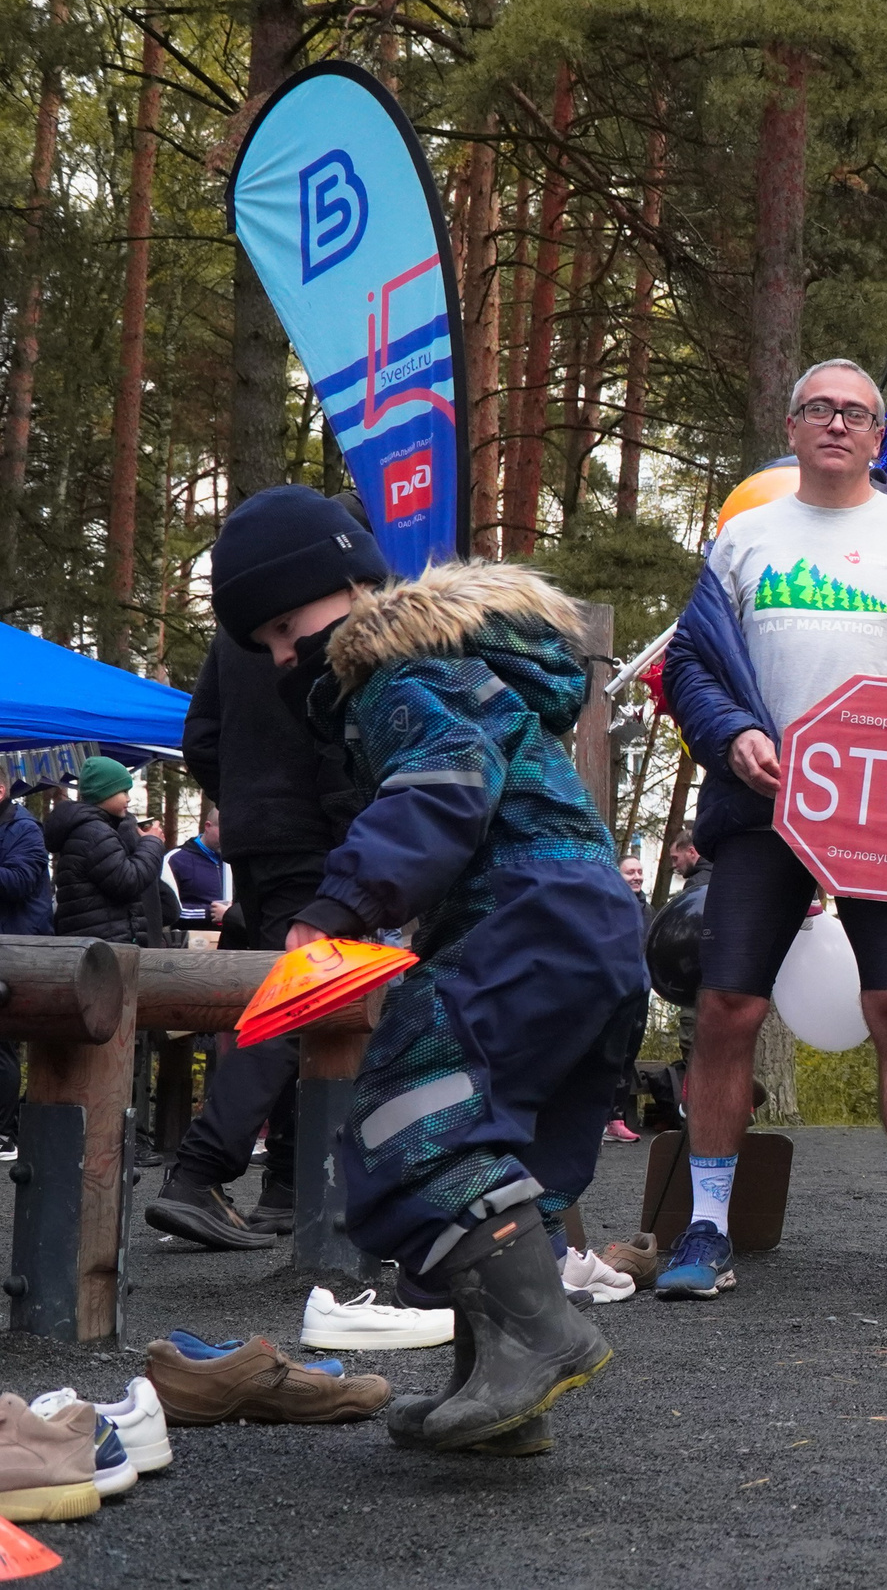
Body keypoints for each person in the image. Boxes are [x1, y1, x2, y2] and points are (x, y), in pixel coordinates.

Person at [210, 481, 644, 1454]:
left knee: (412, 1121)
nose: (285, 658)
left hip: (526, 929)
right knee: (494, 1153)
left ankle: (540, 1334)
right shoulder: (468, 673)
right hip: (583, 936)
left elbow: (438, 792)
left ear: (359, 587)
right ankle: (497, 1384)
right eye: (267, 647)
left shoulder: (407, 680)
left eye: (290, 624)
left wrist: (342, 908)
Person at [661, 358, 887, 1306]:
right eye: (819, 410)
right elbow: (690, 666)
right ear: (791, 427)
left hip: (883, 811)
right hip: (762, 805)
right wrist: (734, 734)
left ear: (881, 436)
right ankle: (705, 1227)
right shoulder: (742, 539)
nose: (838, 424)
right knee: (727, 1013)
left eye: (857, 413)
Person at [154, 561, 372, 1251]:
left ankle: (285, 1181)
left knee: (287, 991)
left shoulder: (240, 626)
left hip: (251, 842)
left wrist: (247, 802)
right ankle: (199, 1171)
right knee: (298, 995)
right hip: (320, 831)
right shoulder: (341, 619)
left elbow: (202, 739)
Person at [45, 758, 165, 949]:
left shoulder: (89, 829)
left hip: (97, 940)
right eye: (123, 791)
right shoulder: (95, 833)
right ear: (104, 793)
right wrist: (152, 842)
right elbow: (128, 881)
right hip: (104, 946)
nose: (128, 798)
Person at [0, 784, 52, 1163]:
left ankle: (4, 1132)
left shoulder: (25, 828)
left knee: (2, 1041)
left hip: (18, 948)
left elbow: (19, 882)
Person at [166, 805, 228, 934]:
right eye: (223, 830)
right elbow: (166, 908)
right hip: (190, 945)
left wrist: (233, 913)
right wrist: (210, 912)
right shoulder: (175, 859)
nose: (228, 837)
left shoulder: (236, 862)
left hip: (234, 946)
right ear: (208, 826)